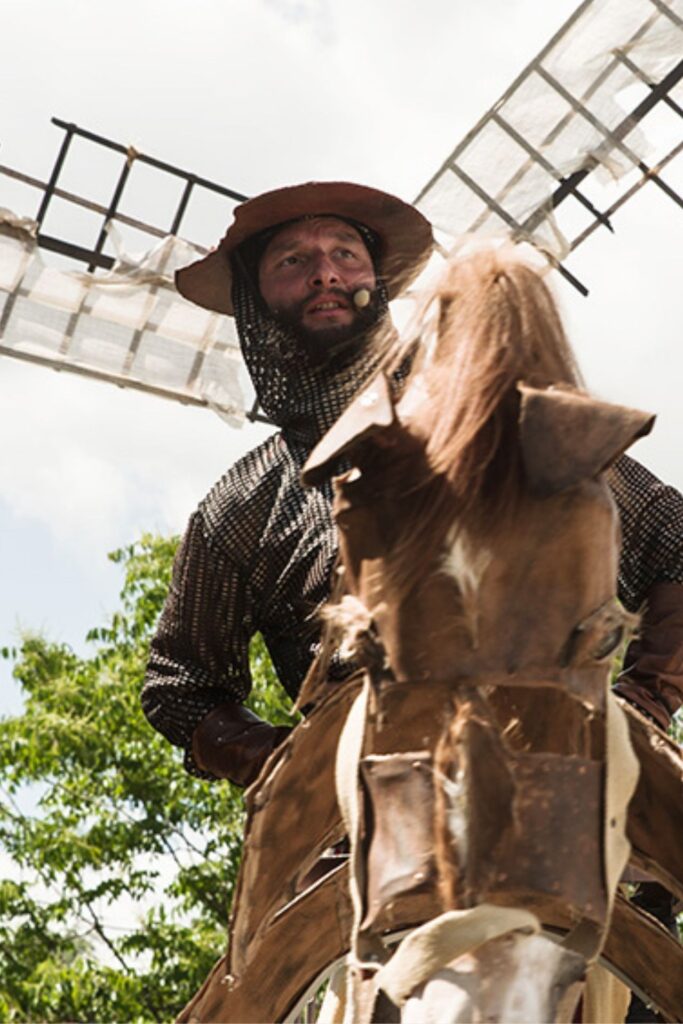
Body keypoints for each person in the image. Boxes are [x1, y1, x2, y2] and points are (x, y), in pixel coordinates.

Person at [141, 180, 683, 790]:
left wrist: (644, 701)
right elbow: (180, 686)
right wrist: (297, 768)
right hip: (363, 801)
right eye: (292, 261)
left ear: (377, 280)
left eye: (345, 253)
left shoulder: (490, 418)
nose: (325, 274)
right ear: (254, 296)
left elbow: (676, 540)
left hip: (558, 771)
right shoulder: (240, 506)